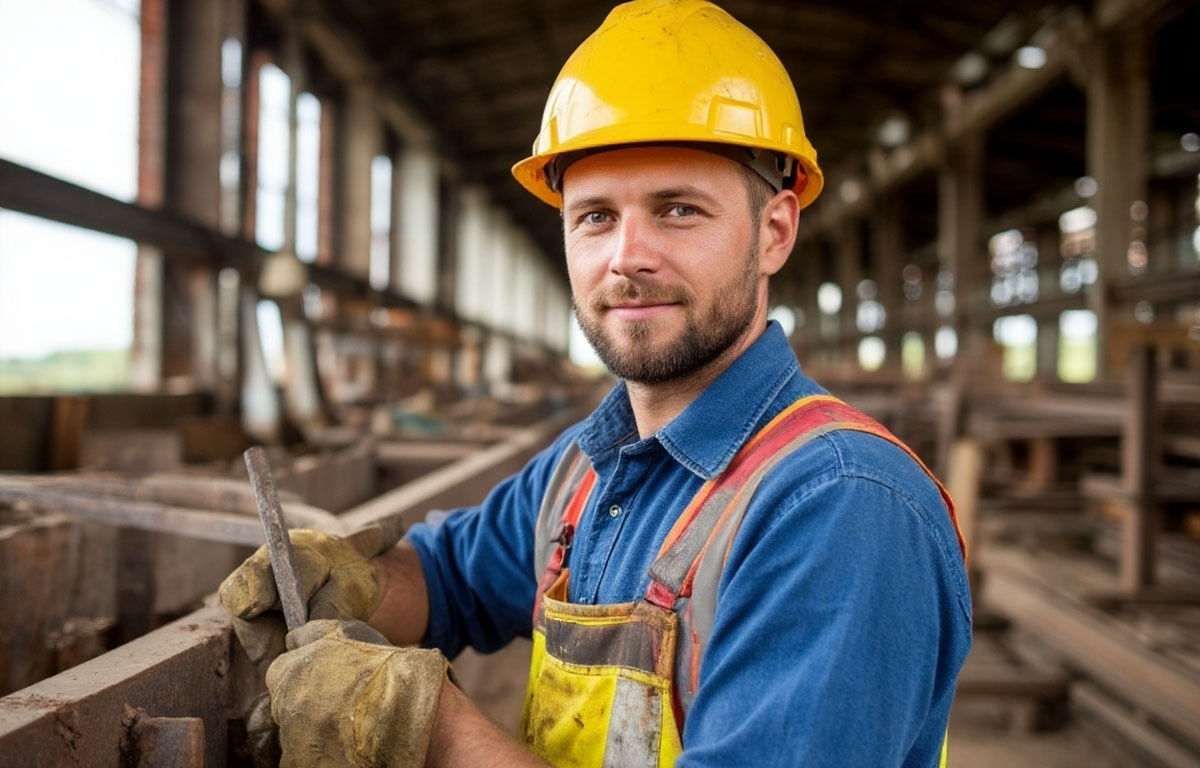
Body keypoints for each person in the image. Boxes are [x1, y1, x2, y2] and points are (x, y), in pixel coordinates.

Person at [218, 1, 973, 766]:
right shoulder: (588, 469)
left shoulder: (841, 507)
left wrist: (428, 729)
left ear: (775, 231)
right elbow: (451, 578)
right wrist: (356, 582)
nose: (627, 256)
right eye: (595, 217)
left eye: (679, 209)